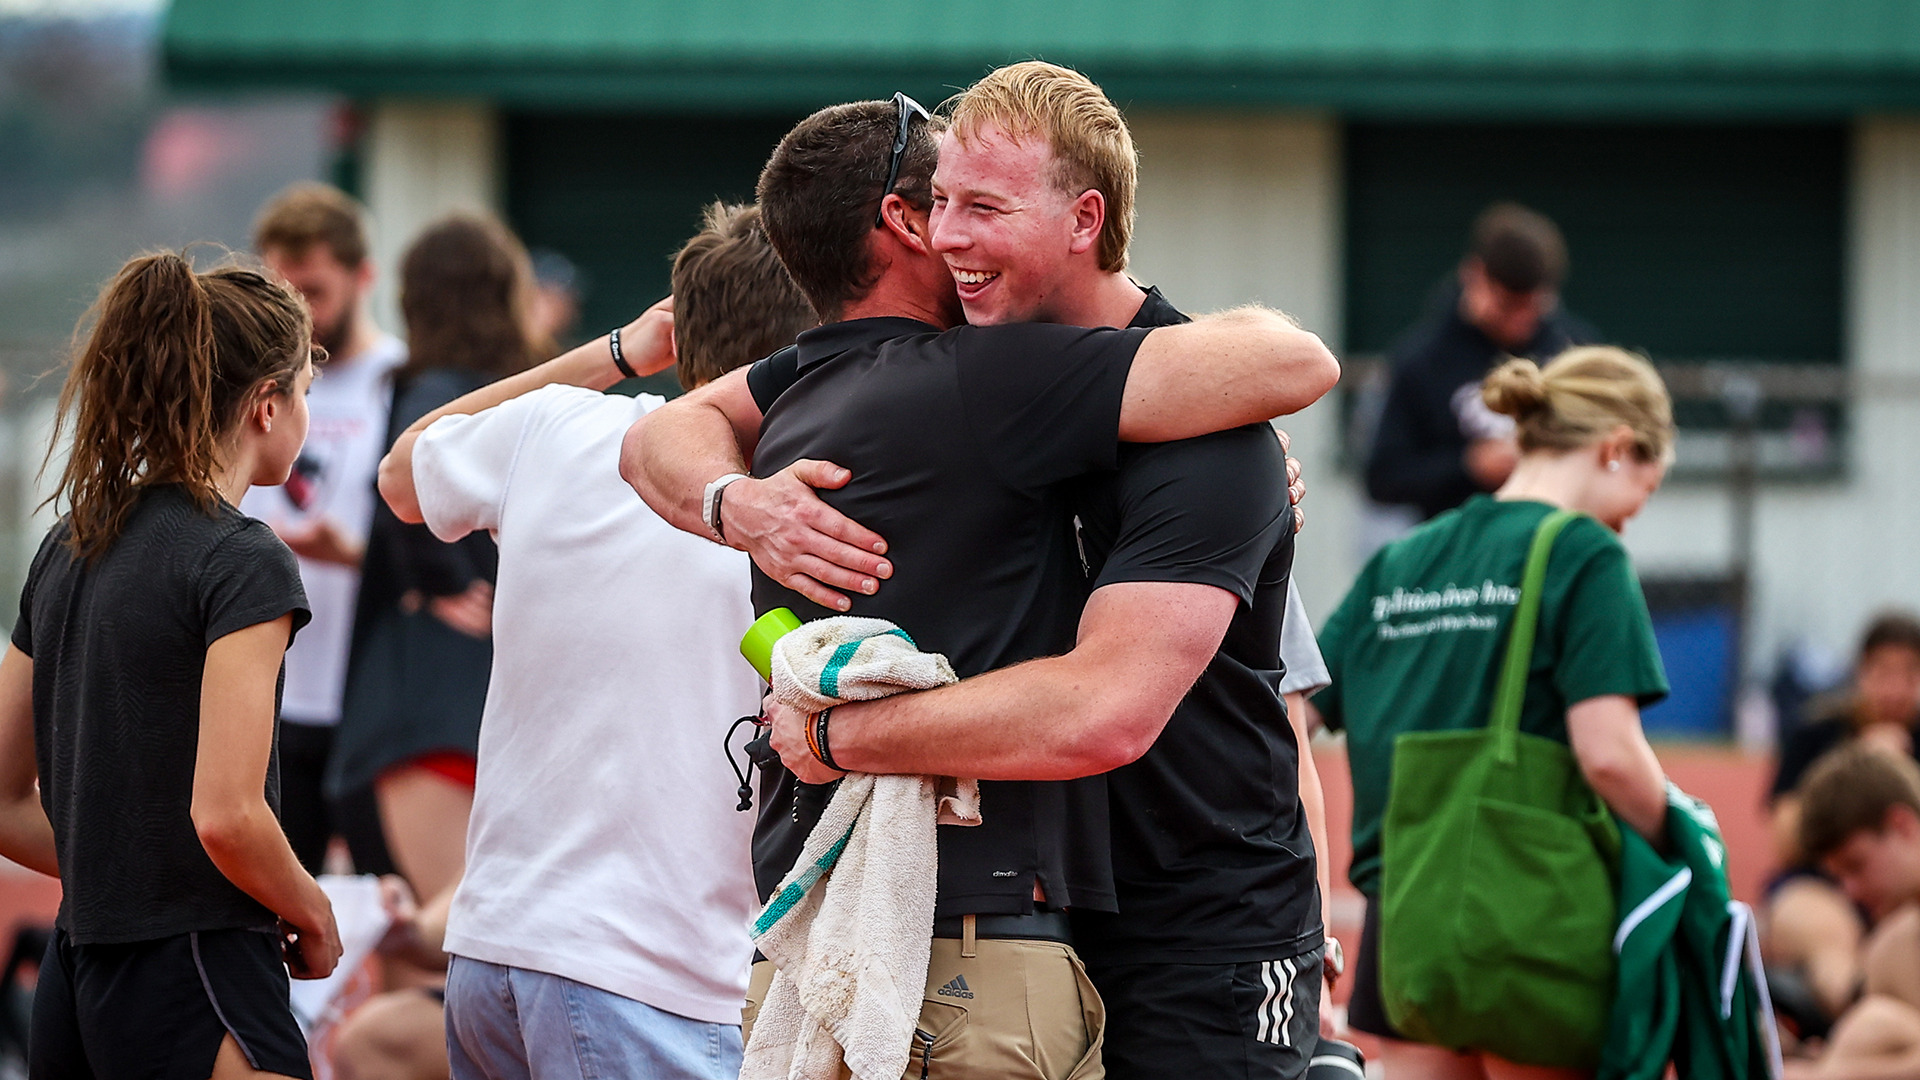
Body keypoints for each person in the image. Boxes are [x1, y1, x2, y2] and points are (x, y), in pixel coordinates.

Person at [623, 94, 1338, 1077]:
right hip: (1037, 927)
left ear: (1085, 219)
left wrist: (840, 736)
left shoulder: (1198, 417)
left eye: (983, 208)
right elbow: (661, 431)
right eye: (938, 202)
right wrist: (732, 502)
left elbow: (1136, 708)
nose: (948, 233)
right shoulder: (961, 370)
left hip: (1200, 932)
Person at [340, 202, 815, 1080]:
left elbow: (406, 468)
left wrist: (621, 351)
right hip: (648, 980)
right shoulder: (792, 507)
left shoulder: (562, 427)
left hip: (496, 958)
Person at [0, 253, 341, 1077]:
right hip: (199, 968)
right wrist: (314, 910)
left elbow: (4, 799)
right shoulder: (242, 560)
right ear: (266, 407)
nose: (306, 415)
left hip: (75, 977)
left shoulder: (67, 544)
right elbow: (227, 815)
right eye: (304, 393)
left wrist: (115, 864)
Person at [1313, 346, 1673, 1080]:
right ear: (1617, 449)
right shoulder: (1584, 554)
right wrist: (1687, 844)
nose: (1632, 520)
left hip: (1403, 914)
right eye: (1647, 488)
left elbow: (1291, 715)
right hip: (1527, 907)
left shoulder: (1401, 561)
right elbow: (1608, 751)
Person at [330, 213, 538, 907]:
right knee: (446, 946)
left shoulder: (445, 389)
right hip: (444, 700)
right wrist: (441, 582)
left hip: (431, 698)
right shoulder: (460, 392)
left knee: (427, 948)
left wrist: (438, 580)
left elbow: (402, 483)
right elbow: (403, 482)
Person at [245, 182, 406, 877]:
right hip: (265, 696)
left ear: (363, 275)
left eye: (314, 292)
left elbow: (434, 545)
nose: (299, 315)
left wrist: (355, 556)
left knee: (386, 907)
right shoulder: (246, 383)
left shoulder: (400, 381)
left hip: (367, 693)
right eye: (283, 293)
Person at [1365, 202, 1596, 522]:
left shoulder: (1575, 351)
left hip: (1554, 541)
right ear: (1474, 276)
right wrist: (1469, 466)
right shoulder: (1421, 361)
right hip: (1458, 551)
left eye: (1533, 307)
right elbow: (1383, 478)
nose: (1521, 322)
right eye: (1508, 307)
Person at [1766, 612, 1920, 1023]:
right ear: (1861, 673)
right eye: (1883, 673)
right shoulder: (1818, 732)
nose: (1896, 689)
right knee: (1827, 930)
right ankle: (1851, 1004)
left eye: (1909, 674)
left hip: (1902, 896)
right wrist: (1859, 765)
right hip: (1818, 887)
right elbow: (1786, 842)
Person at [1781, 744, 1920, 1080]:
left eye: (1856, 866)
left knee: (1877, 1026)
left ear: (1902, 825)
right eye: (1839, 876)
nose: (1850, 891)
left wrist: (1831, 1074)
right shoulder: (1891, 946)